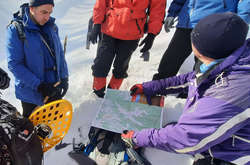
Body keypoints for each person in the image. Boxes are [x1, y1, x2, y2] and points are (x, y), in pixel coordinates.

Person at [121, 12, 250, 165]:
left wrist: (137, 137)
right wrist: (153, 87)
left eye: (199, 55)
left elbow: (186, 139)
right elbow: (192, 79)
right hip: (222, 135)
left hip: (235, 156)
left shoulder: (230, 91)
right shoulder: (232, 59)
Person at [152, 0, 250, 81]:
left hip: (216, 25)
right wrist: (172, 13)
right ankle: (154, 95)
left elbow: (245, 3)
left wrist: (239, 23)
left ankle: (197, 99)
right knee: (170, 61)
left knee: (204, 68)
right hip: (188, 22)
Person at [90, 0, 166, 98]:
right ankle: (97, 93)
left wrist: (152, 34)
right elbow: (101, 2)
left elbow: (157, 9)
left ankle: (112, 93)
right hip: (109, 27)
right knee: (101, 63)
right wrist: (97, 23)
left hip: (132, 34)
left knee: (121, 67)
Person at [6, 0, 69, 118]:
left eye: (50, 13)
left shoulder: (52, 26)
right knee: (32, 133)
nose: (47, 17)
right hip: (31, 94)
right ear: (32, 9)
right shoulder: (16, 29)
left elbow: (59, 54)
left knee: (54, 130)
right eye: (44, 12)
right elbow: (14, 64)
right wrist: (39, 86)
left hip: (53, 89)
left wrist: (64, 77)